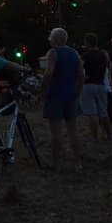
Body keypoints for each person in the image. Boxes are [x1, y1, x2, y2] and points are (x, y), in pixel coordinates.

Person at [40, 28, 85, 171]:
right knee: (73, 131)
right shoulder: (74, 53)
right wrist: (78, 91)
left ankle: (55, 164)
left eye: (50, 38)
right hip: (71, 95)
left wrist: (42, 90)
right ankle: (78, 163)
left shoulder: (53, 52)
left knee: (56, 132)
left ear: (55, 40)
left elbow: (48, 74)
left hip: (56, 95)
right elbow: (81, 75)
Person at [79, 33, 111, 142]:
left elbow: (79, 67)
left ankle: (95, 138)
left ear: (87, 42)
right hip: (101, 85)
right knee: (103, 112)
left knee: (92, 114)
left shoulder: (86, 55)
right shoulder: (103, 55)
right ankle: (108, 135)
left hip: (88, 85)